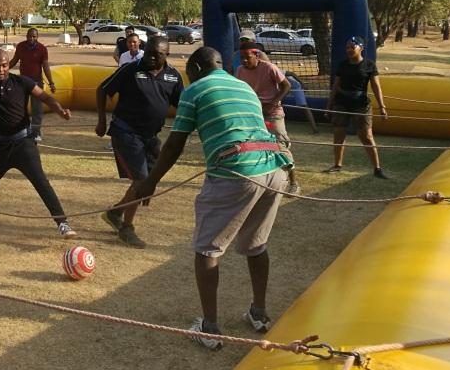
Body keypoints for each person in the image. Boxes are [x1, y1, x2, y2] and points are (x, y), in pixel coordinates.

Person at [125, 47, 292, 349]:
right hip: (273, 169)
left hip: (237, 172)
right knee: (256, 245)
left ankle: (210, 328)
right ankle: (259, 313)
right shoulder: (243, 86)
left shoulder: (196, 89)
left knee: (207, 250)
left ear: (197, 68)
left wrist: (151, 181)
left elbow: (175, 143)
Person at [0, 49, 78, 238]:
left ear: (9, 65)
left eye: (4, 65)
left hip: (24, 143)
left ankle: (62, 222)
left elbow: (45, 97)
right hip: (1, 146)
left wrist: (60, 110)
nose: (1, 69)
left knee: (42, 183)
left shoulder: (22, 82)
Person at [95, 36, 184, 248]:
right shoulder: (131, 70)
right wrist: (101, 121)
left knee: (147, 180)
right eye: (149, 52)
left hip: (151, 137)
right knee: (141, 180)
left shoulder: (173, 76)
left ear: (166, 54)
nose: (151, 57)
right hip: (125, 132)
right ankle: (126, 228)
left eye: (157, 54)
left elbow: (182, 103)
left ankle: (115, 213)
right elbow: (102, 89)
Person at [236, 42, 300, 193]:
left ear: (256, 55)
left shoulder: (269, 68)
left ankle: (293, 183)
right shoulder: (239, 70)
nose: (244, 61)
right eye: (241, 58)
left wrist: (272, 102)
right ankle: (260, 181)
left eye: (247, 57)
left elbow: (287, 86)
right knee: (251, 147)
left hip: (272, 113)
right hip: (252, 113)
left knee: (280, 146)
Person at [325, 36, 389, 178]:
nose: (349, 50)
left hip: (361, 105)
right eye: (347, 48)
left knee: (366, 136)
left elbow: (376, 87)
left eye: (352, 48)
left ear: (361, 48)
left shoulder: (369, 65)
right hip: (341, 103)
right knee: (339, 134)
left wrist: (382, 107)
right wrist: (329, 104)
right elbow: (336, 85)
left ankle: (377, 168)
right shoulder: (342, 65)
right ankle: (337, 165)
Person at [9, 28, 55, 141]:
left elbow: (45, 67)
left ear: (37, 37)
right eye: (30, 36)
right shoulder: (20, 46)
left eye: (34, 36)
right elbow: (14, 60)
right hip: (22, 83)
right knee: (21, 108)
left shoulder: (42, 49)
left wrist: (51, 82)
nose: (32, 39)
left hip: (37, 83)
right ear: (26, 36)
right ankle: (22, 131)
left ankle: (36, 132)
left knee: (37, 109)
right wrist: (4, 69)